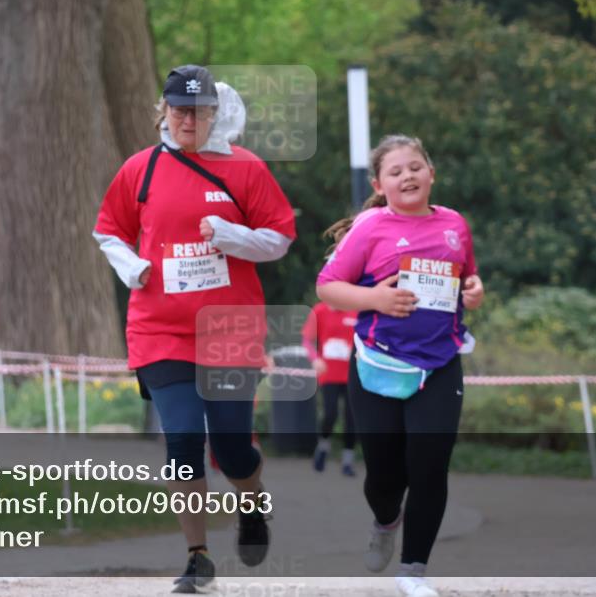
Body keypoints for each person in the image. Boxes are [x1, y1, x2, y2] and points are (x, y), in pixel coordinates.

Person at [94, 65, 296, 593]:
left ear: (215, 113)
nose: (189, 119)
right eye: (179, 109)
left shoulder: (246, 168)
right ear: (163, 111)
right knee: (182, 442)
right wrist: (131, 267)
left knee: (230, 448)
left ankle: (252, 503)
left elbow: (278, 239)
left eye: (200, 110)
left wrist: (232, 236)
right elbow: (108, 229)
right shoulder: (140, 169)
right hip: (160, 330)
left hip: (230, 329)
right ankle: (197, 555)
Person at [316, 134, 484, 597]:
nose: (408, 175)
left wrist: (474, 290)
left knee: (429, 466)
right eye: (396, 171)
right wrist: (376, 298)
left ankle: (413, 570)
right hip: (378, 365)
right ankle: (386, 519)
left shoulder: (455, 224)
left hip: (441, 363)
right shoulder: (371, 226)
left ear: (431, 173)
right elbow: (328, 287)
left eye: (415, 166)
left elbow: (467, 276)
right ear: (380, 183)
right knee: (385, 474)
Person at [301, 300, 358, 476]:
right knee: (330, 413)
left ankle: (348, 461)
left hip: (353, 374)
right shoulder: (320, 310)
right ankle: (323, 447)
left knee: (352, 417)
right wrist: (315, 359)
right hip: (329, 373)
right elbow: (307, 341)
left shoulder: (357, 310)